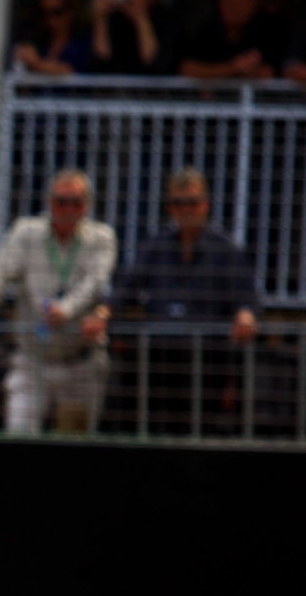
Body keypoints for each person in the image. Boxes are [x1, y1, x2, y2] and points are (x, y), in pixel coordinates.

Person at [0, 170, 117, 435]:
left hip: (80, 361)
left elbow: (95, 284)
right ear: (48, 202)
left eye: (76, 202)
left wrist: (65, 310)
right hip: (33, 360)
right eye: (61, 201)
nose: (68, 209)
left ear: (87, 205)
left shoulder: (101, 237)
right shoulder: (26, 232)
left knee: (74, 441)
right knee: (19, 433)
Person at [112, 168, 261, 435]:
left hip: (207, 360)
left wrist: (246, 314)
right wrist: (104, 313)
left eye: (192, 202)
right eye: (178, 203)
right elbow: (126, 288)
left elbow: (246, 295)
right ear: (170, 207)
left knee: (200, 433)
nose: (186, 210)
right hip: (159, 358)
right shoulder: (156, 247)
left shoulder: (225, 249)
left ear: (205, 204)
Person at [179, 0, 286, 81]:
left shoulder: (268, 29)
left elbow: (271, 72)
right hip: (218, 96)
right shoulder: (209, 29)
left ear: (254, 3)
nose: (234, 9)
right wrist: (233, 68)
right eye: (229, 2)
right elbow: (187, 69)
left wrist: (251, 70)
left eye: (239, 4)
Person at [86, 0, 175, 75]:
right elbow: (98, 64)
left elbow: (156, 65)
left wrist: (141, 19)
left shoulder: (167, 19)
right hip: (116, 89)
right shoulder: (114, 18)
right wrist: (100, 18)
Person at [13, 0, 89, 76]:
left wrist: (36, 63)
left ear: (71, 12)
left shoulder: (82, 41)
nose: (51, 19)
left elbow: (68, 70)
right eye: (45, 13)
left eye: (57, 12)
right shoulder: (39, 41)